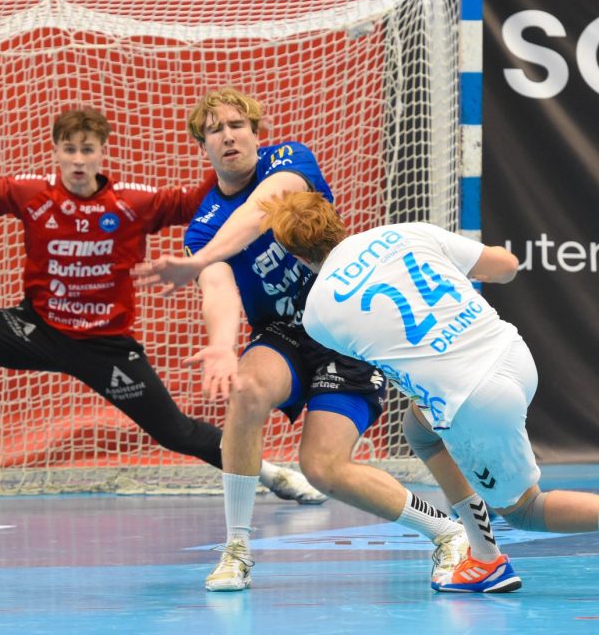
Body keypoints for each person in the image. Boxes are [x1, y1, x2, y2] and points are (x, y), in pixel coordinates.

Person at [137, 88, 472, 593]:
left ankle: (447, 532)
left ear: (257, 133)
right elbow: (219, 288)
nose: (228, 136)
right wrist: (223, 344)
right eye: (215, 130)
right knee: (247, 388)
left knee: (323, 468)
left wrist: (203, 259)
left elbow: (259, 211)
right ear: (202, 147)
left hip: (342, 328)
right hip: (283, 334)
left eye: (237, 125)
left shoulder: (289, 161)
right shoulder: (203, 228)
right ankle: (236, 548)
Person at [0, 107, 328, 516]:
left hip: (105, 347)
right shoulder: (30, 193)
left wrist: (226, 153)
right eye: (69, 150)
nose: (78, 160)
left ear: (102, 153)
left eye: (87, 150)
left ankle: (272, 474)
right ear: (55, 151)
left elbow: (192, 202)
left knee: (176, 433)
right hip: (38, 329)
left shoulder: (132, 203)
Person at [255, 189, 599, 592]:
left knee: (525, 511)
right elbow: (505, 266)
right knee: (419, 429)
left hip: (474, 399)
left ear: (296, 256)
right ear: (337, 219)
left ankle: (489, 561)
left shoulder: (318, 314)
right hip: (514, 355)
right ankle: (483, 555)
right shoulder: (407, 232)